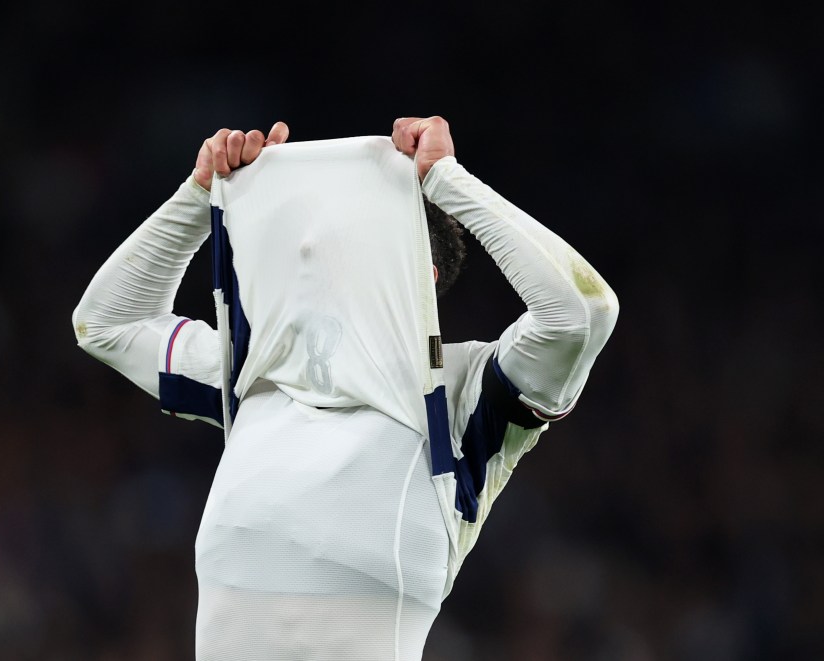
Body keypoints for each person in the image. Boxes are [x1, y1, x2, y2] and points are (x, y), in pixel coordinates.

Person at [72, 116, 619, 660]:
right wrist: (200, 193)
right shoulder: (256, 374)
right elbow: (106, 322)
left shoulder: (466, 396)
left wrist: (446, 181)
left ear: (417, 275)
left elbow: (581, 313)